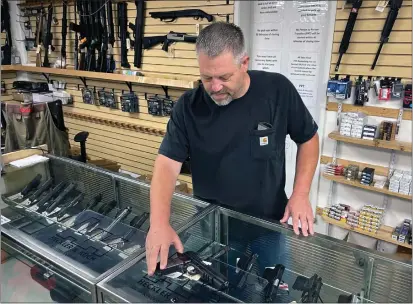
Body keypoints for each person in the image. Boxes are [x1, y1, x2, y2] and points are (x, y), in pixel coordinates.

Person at [145, 22, 319, 276]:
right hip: (215, 228)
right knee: (217, 291)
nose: (215, 87)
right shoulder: (188, 106)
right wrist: (159, 222)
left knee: (278, 293)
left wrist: (301, 193)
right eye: (207, 78)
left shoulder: (277, 90)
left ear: (244, 63)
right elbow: (166, 165)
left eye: (224, 77)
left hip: (269, 225)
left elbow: (309, 138)